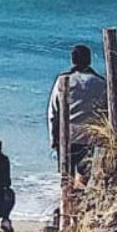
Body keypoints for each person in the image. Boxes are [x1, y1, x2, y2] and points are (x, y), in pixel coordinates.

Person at [47, 43, 109, 179]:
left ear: (73, 60)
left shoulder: (63, 80)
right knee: (88, 177)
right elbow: (106, 112)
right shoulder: (101, 82)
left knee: (67, 178)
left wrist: (53, 139)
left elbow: (53, 112)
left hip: (68, 136)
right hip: (92, 136)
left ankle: (68, 199)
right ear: (89, 60)